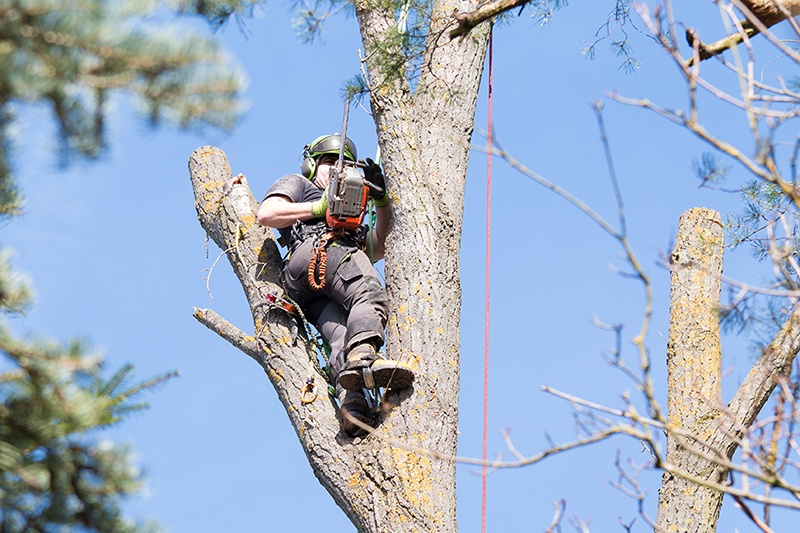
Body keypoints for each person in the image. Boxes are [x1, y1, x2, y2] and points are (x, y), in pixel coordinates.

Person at [257, 134, 415, 437]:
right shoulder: (301, 186)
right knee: (368, 292)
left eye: (343, 163)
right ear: (312, 166)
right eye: (330, 161)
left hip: (314, 290)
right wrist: (319, 209)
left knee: (341, 334)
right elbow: (267, 214)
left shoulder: (352, 218)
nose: (337, 168)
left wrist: (381, 202)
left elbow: (378, 247)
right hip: (315, 252)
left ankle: (352, 407)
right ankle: (364, 356)